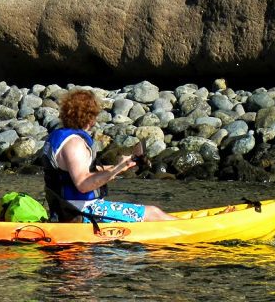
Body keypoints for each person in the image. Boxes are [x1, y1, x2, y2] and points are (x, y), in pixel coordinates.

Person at [43, 89, 177, 223]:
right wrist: (117, 169)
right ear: (89, 117)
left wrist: (117, 167)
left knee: (155, 213)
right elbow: (83, 184)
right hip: (82, 212)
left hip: (66, 210)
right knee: (154, 213)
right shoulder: (75, 144)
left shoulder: (59, 137)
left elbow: (76, 172)